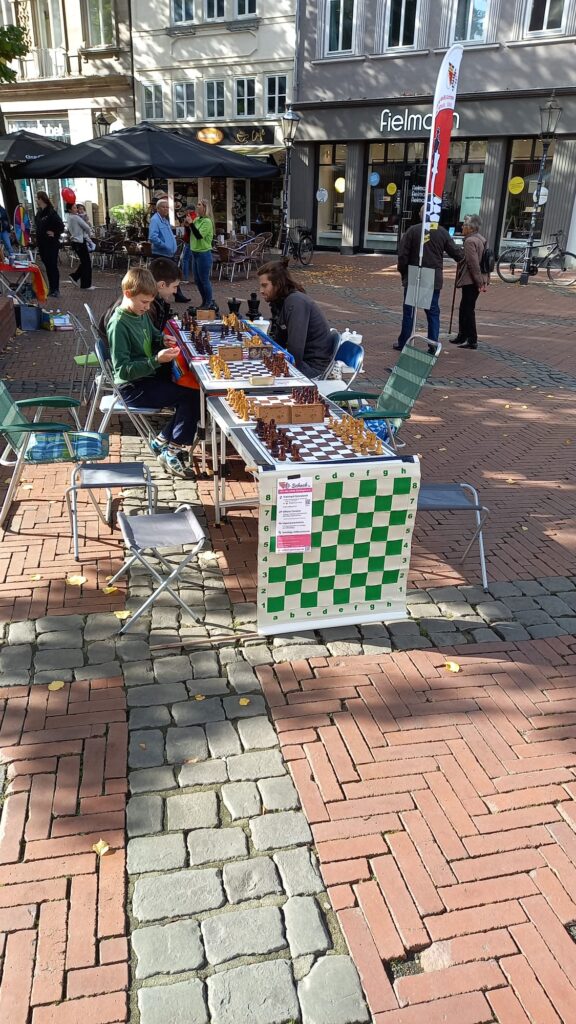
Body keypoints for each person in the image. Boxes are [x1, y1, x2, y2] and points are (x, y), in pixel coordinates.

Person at [106, 267, 199, 478]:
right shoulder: (119, 324)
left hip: (146, 377)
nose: (147, 308)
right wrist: (155, 360)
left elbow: (153, 334)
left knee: (191, 388)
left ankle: (161, 441)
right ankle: (173, 451)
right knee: (190, 396)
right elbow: (123, 370)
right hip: (132, 388)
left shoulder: (140, 313)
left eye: (149, 303)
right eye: (144, 302)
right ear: (128, 294)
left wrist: (161, 340)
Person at [394, 205, 461, 351]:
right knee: (432, 313)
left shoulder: (413, 231)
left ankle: (404, 341)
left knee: (409, 312)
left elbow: (403, 255)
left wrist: (403, 273)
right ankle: (432, 345)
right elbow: (457, 254)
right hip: (432, 276)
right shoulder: (442, 232)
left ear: (420, 215)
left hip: (415, 274)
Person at [257, 259, 333, 378]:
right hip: (303, 362)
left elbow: (295, 351)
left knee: (261, 375)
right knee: (257, 365)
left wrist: (276, 366)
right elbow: (279, 342)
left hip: (312, 367)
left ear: (278, 284)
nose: (261, 291)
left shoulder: (296, 302)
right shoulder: (281, 302)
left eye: (265, 285)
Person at [99, 256, 181, 337]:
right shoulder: (142, 308)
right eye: (175, 286)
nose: (175, 291)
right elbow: (145, 340)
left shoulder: (138, 296)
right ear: (162, 285)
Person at [452, 214, 489, 351]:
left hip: (471, 280)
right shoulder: (481, 239)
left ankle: (471, 339)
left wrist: (479, 282)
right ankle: (462, 335)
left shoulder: (469, 241)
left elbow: (473, 263)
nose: (462, 227)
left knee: (467, 309)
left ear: (470, 228)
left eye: (464, 225)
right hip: (477, 279)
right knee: (465, 308)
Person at [148, 197, 189, 303]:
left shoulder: (165, 220)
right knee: (164, 275)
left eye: (167, 207)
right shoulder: (155, 220)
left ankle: (177, 295)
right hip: (161, 253)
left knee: (173, 274)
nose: (166, 209)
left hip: (169, 253)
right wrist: (165, 246)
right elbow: (153, 237)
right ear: (158, 208)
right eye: (163, 207)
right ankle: (158, 296)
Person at [35, 192, 64, 297]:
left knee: (52, 266)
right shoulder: (39, 213)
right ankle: (51, 288)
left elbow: (61, 226)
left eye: (37, 198)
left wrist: (54, 233)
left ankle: (55, 289)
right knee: (47, 266)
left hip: (51, 244)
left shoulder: (51, 212)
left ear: (41, 199)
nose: (36, 200)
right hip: (42, 244)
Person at [189, 198, 215, 310]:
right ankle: (204, 301)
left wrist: (191, 225)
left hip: (203, 253)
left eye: (199, 205)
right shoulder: (197, 219)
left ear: (205, 207)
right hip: (195, 252)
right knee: (197, 280)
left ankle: (208, 303)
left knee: (204, 280)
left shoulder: (207, 222)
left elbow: (199, 235)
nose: (197, 206)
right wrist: (188, 225)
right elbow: (191, 233)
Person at [66, 202, 94, 290]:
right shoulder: (75, 217)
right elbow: (87, 227)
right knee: (87, 263)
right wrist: (90, 235)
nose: (76, 209)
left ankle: (75, 277)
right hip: (79, 242)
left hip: (75, 242)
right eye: (74, 208)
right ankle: (85, 284)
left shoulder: (69, 218)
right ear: (70, 209)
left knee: (85, 262)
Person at [180, 206, 194, 283]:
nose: (185, 212)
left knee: (185, 259)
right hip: (189, 241)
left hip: (189, 241)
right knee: (190, 259)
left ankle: (185, 278)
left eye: (185, 210)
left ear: (189, 210)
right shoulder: (194, 216)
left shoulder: (190, 217)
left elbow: (189, 229)